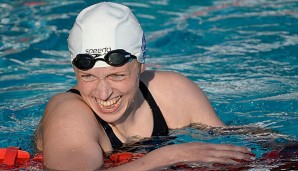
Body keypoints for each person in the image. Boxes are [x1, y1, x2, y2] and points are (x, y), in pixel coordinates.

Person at [35, 2, 254, 170]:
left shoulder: (173, 91)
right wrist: (168, 156)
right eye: (88, 77)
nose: (103, 93)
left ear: (140, 66)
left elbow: (231, 144)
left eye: (117, 76)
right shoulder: (68, 115)